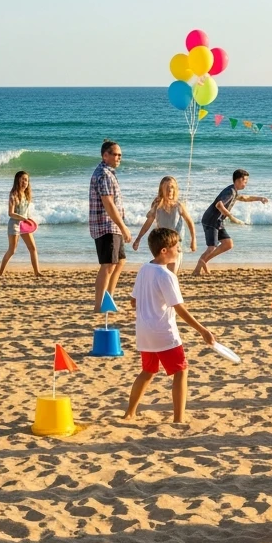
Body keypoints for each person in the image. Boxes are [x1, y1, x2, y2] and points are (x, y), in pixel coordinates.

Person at [123, 227, 215, 426]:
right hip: (164, 332)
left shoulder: (144, 268)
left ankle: (129, 413)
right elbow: (179, 309)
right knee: (181, 371)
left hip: (144, 332)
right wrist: (202, 330)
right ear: (164, 250)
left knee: (147, 372)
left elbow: (133, 301)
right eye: (176, 246)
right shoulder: (167, 276)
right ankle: (178, 419)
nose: (179, 250)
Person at [193, 169, 268, 276]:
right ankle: (196, 270)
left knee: (228, 244)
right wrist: (231, 217)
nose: (246, 183)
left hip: (218, 221)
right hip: (211, 220)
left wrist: (259, 198)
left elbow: (244, 198)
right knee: (211, 248)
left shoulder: (234, 191)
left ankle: (204, 261)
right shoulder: (230, 191)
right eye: (245, 181)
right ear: (238, 180)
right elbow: (219, 205)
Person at [89, 139, 131, 313]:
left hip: (111, 226)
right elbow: (108, 203)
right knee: (108, 265)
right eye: (115, 154)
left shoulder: (108, 172)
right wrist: (123, 226)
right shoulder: (104, 174)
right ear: (105, 155)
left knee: (119, 261)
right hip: (106, 225)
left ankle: (108, 299)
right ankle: (99, 306)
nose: (119, 157)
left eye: (120, 155)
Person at [133, 176, 196, 274]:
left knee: (172, 274)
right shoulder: (157, 206)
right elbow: (148, 223)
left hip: (176, 244)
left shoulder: (179, 205)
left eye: (172, 187)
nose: (169, 190)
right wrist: (138, 239)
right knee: (161, 272)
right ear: (161, 190)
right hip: (161, 244)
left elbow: (190, 222)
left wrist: (193, 240)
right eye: (166, 187)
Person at [0, 170, 43, 278]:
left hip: (25, 224)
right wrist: (23, 218)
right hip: (14, 224)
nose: (24, 182)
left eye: (26, 180)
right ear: (17, 180)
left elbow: (26, 212)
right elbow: (11, 213)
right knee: (12, 250)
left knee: (33, 248)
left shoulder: (27, 194)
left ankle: (37, 272)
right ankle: (0, 272)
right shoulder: (13, 194)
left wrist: (30, 220)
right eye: (22, 179)